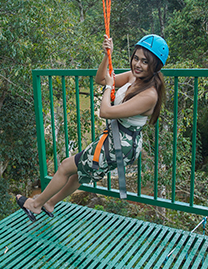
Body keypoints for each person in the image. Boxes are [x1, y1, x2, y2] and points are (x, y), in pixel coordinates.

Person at [16, 34, 168, 222]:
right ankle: (49, 203)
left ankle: (35, 205)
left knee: (65, 166)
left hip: (119, 144)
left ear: (155, 66)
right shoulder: (133, 77)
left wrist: (109, 87)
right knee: (79, 173)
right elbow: (100, 79)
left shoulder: (150, 94)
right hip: (115, 139)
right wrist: (106, 55)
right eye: (136, 58)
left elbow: (105, 111)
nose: (137, 64)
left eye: (145, 62)